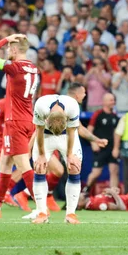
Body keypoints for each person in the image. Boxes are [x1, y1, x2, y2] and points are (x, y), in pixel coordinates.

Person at [0, 34, 38, 219]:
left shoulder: (13, 67)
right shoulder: (34, 68)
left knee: (23, 165)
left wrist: (5, 39)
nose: (5, 52)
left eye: (7, 48)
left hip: (15, 122)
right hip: (27, 119)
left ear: (13, 49)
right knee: (5, 163)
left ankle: (41, 207)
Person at [30, 92, 83, 224]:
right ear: (47, 120)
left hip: (67, 137)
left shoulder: (72, 106)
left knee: (75, 168)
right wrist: (42, 155)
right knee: (39, 167)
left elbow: (71, 132)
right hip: (45, 136)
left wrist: (70, 155)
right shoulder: (40, 106)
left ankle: (71, 214)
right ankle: (41, 212)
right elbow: (39, 131)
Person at [85, 93, 119, 192]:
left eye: (113, 100)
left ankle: (114, 196)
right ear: (104, 102)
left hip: (111, 148)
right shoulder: (98, 114)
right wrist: (93, 143)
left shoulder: (114, 116)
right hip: (100, 148)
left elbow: (117, 134)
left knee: (114, 171)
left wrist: (116, 148)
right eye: (111, 100)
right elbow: (89, 130)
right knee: (96, 173)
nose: (113, 102)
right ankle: (85, 191)